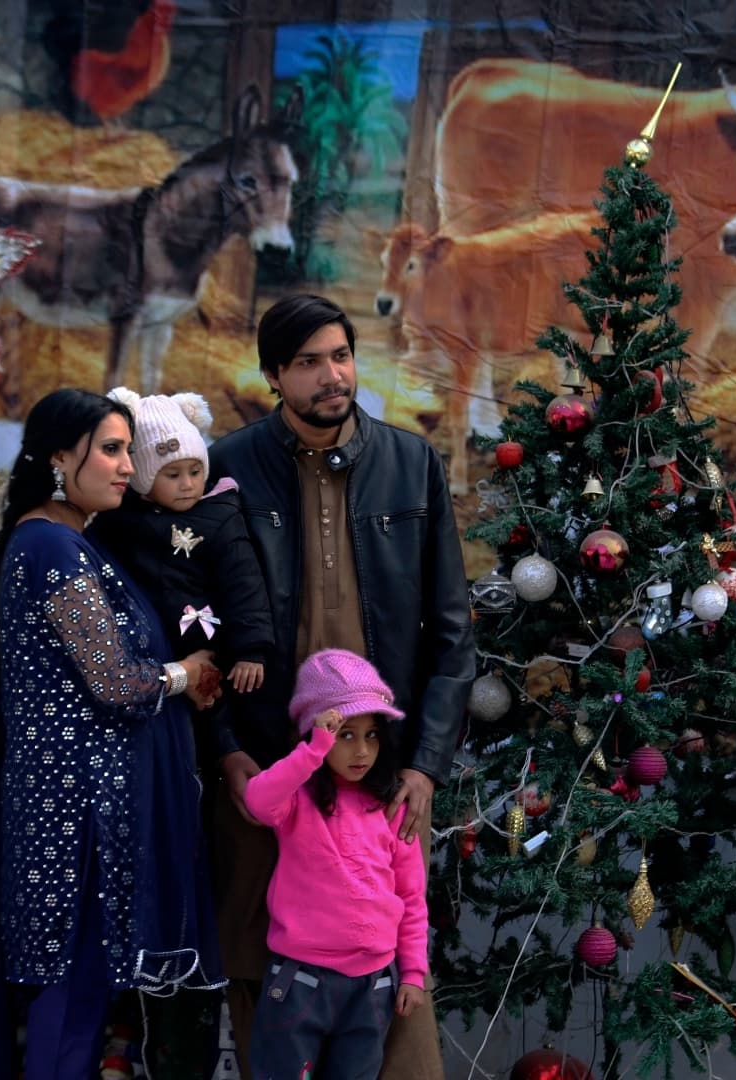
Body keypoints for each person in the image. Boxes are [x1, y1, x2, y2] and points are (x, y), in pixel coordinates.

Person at [209, 294, 474, 1078]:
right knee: (262, 969)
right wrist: (225, 751)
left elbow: (453, 632)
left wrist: (423, 763)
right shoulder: (228, 469)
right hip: (269, 766)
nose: (332, 376)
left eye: (341, 355)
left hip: (378, 765)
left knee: (393, 975)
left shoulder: (410, 463)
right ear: (272, 377)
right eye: (308, 362)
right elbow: (195, 625)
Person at [0, 388, 226, 1080]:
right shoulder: (54, 548)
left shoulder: (57, 542)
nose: (128, 467)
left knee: (77, 1008)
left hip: (74, 810)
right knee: (72, 1006)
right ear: (62, 458)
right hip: (78, 821)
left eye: (128, 449)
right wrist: (185, 673)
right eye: (112, 450)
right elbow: (116, 683)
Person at [244, 649, 429, 1079]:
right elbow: (257, 798)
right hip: (300, 982)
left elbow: (411, 896)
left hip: (373, 986)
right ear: (317, 733)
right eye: (346, 734)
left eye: (372, 735)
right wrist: (315, 750)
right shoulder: (297, 800)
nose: (362, 750)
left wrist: (414, 972)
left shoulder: (391, 805)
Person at [90, 388, 272, 713]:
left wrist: (251, 649)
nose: (187, 484)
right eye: (172, 475)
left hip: (205, 645)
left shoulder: (220, 516)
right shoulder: (119, 519)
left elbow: (245, 582)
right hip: (143, 657)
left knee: (210, 719)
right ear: (143, 481)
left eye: (195, 471)